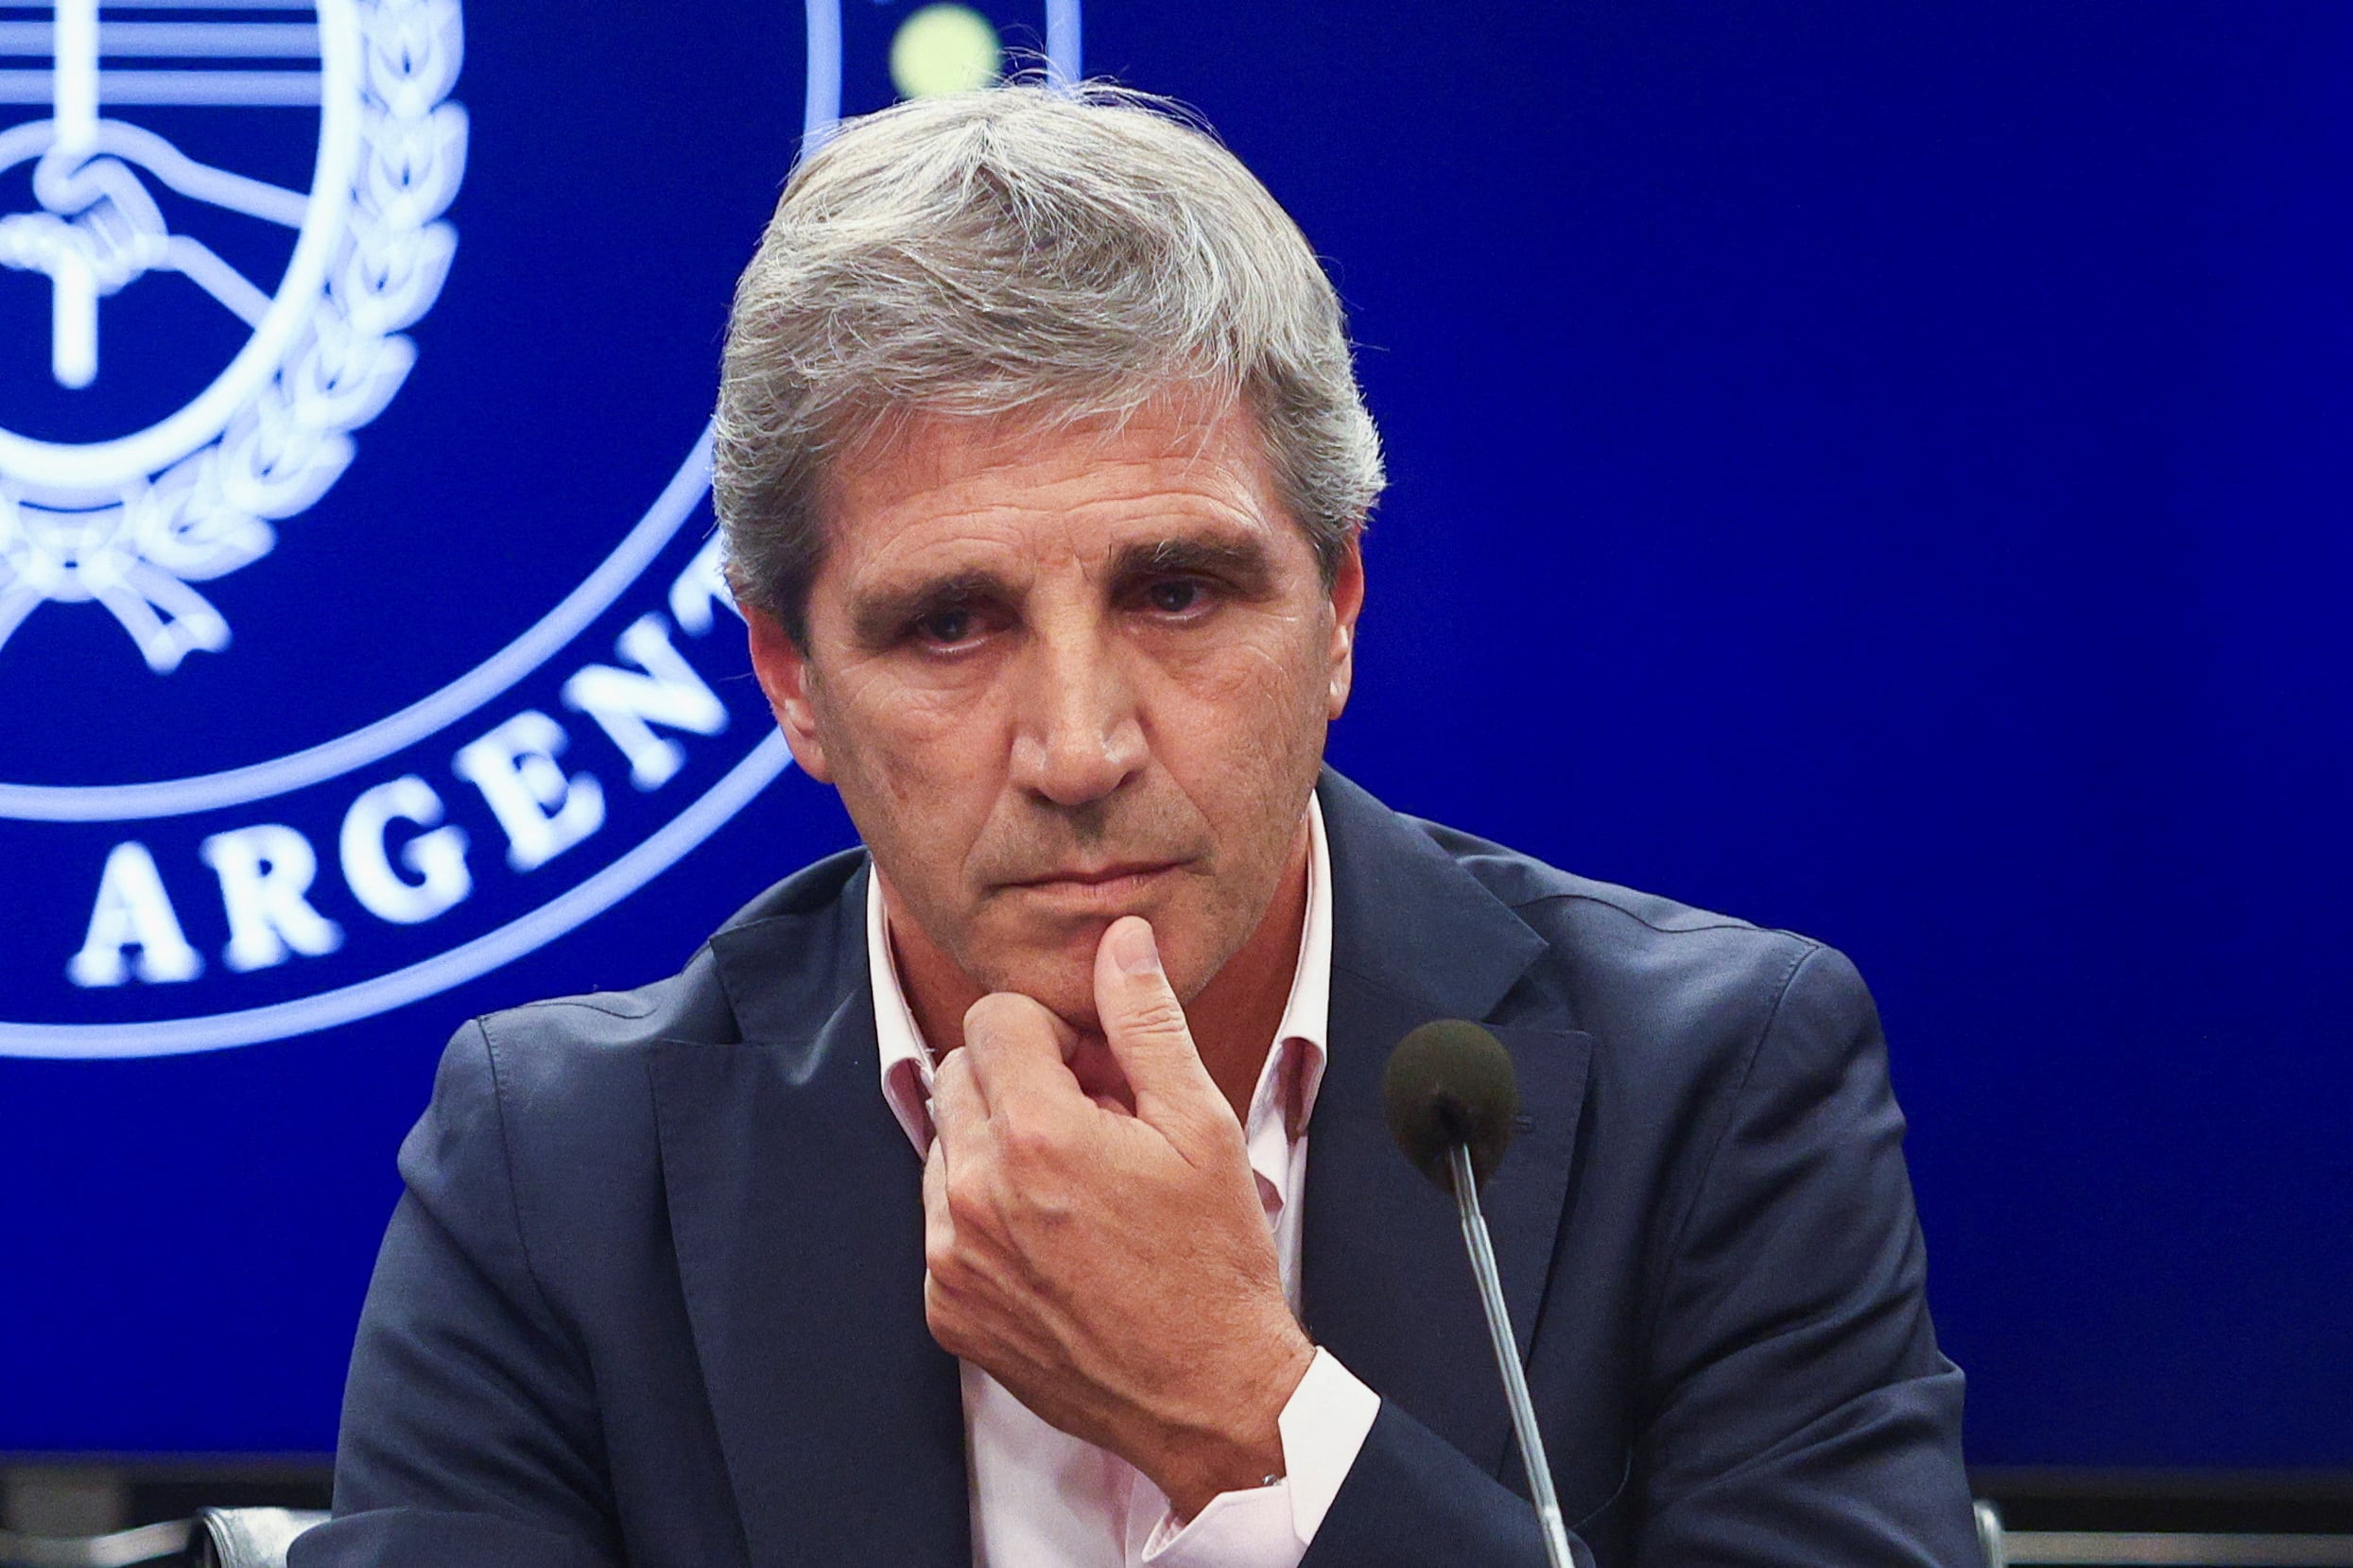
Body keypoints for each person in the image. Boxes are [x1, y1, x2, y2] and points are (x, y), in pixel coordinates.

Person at [294, 85, 1979, 1568]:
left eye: (1177, 591)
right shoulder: (558, 1171)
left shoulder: (1715, 1087)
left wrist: (1246, 1417)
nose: (1080, 747)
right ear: (790, 681)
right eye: (948, 624)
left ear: (1336, 609)